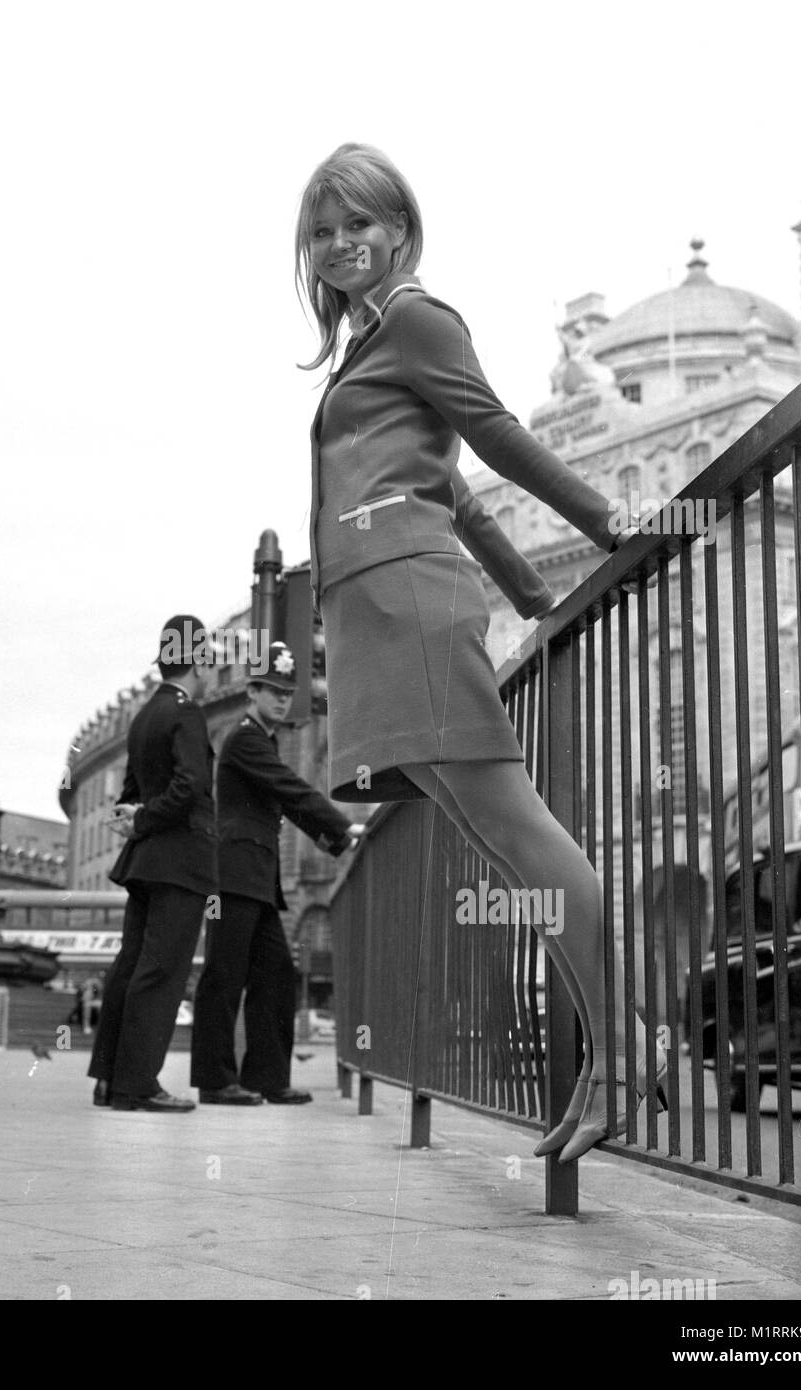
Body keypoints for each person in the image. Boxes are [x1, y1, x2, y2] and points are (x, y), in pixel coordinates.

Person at [295, 143, 660, 1163]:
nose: (337, 246)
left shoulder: (417, 318)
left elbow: (493, 433)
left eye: (356, 224)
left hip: (408, 604)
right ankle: (617, 1058)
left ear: (400, 229)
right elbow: (455, 487)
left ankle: (624, 1060)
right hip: (372, 614)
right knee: (505, 848)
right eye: (321, 232)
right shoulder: (365, 348)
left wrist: (604, 523)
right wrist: (538, 595)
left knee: (519, 833)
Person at [191, 640, 359, 1105]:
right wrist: (340, 825)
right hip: (234, 876)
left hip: (256, 879)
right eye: (273, 691)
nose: (283, 700)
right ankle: (214, 1081)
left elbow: (284, 798)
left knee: (277, 975)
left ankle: (265, 1076)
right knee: (224, 977)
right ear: (253, 692)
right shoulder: (244, 737)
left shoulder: (260, 739)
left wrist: (337, 839)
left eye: (288, 693)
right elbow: (290, 788)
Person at [88, 615, 219, 1113]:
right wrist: (144, 818)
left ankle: (109, 1080)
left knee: (129, 967)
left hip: (143, 862)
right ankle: (139, 1083)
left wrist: (135, 817)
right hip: (179, 859)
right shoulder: (188, 714)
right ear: (198, 660)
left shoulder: (144, 716)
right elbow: (188, 788)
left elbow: (130, 794)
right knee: (162, 971)